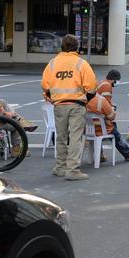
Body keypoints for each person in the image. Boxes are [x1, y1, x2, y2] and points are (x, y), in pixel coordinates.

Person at [41, 34, 97, 180]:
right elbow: (91, 87)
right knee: (75, 138)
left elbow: (45, 86)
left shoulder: (52, 63)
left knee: (61, 137)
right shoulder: (81, 63)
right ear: (76, 47)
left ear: (62, 47)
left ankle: (60, 167)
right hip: (77, 104)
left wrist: (52, 97)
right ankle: (72, 170)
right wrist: (85, 100)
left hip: (59, 105)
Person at [87, 69, 129, 161]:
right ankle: (127, 152)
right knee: (113, 128)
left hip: (90, 125)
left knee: (100, 131)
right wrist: (112, 110)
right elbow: (107, 106)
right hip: (101, 122)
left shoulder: (101, 83)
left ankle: (99, 155)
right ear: (114, 79)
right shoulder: (106, 86)